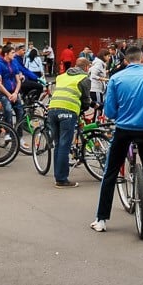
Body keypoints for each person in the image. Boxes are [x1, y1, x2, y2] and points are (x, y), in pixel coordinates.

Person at [91, 46, 143, 232]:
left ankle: (101, 219)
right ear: (142, 59)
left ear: (126, 60)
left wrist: (118, 114)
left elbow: (109, 110)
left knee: (111, 171)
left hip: (123, 129)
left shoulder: (116, 78)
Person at [47, 58, 92, 188]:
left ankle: (58, 175)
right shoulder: (84, 78)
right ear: (86, 67)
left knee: (58, 145)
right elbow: (85, 99)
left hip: (52, 109)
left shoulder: (62, 76)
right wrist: (84, 107)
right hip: (68, 110)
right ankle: (62, 180)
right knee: (64, 145)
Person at [0, 44, 23, 126]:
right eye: (12, 53)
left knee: (20, 111)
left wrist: (16, 93)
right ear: (6, 54)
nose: (14, 54)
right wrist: (9, 95)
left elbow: (18, 80)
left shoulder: (14, 64)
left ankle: (18, 135)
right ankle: (8, 132)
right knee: (8, 110)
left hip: (14, 92)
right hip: (3, 92)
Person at [88, 49, 111, 118]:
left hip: (97, 89)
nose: (109, 58)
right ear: (104, 56)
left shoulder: (100, 63)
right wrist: (105, 79)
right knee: (99, 107)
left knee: (98, 107)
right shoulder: (99, 64)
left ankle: (97, 121)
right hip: (96, 89)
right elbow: (93, 75)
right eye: (108, 56)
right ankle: (97, 123)